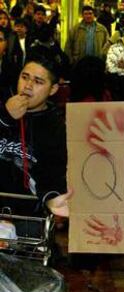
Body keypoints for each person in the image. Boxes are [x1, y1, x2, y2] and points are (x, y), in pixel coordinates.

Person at [0, 46, 71, 221]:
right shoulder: (2, 105)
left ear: (53, 89)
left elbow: (53, 171)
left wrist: (52, 198)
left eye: (38, 82)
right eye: (24, 77)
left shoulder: (56, 127)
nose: (28, 86)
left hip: (27, 217)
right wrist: (5, 118)